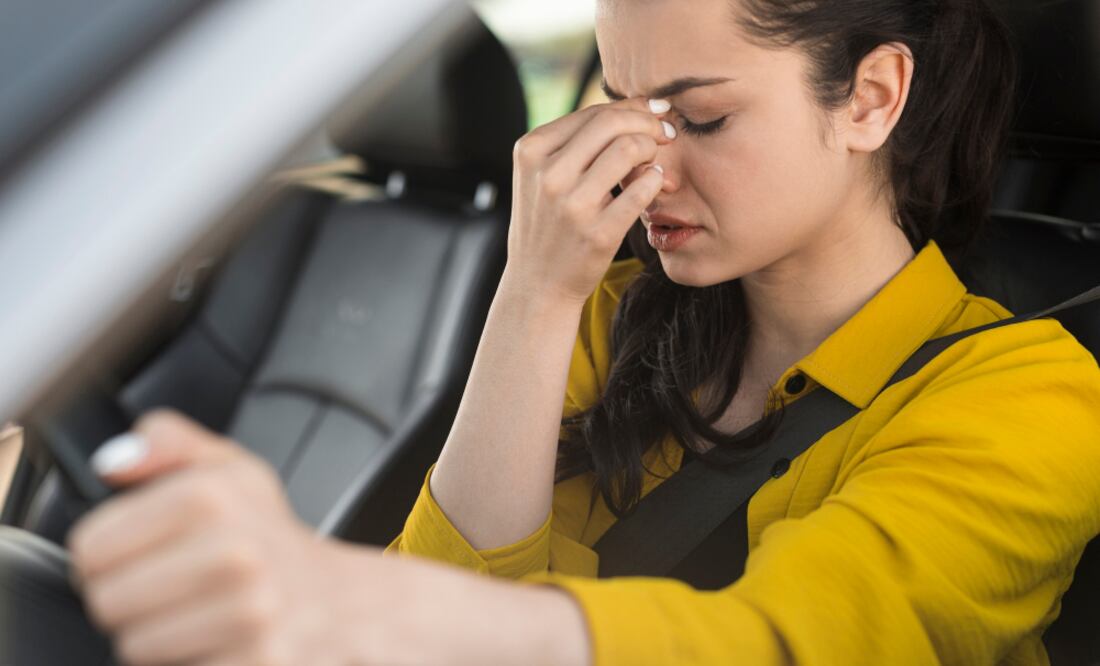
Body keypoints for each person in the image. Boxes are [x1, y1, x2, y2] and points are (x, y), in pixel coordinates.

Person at [64, 0, 1100, 664]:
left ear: (870, 100)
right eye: (625, 114)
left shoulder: (1033, 398)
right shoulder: (614, 314)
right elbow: (461, 603)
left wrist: (344, 598)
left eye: (699, 120)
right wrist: (535, 289)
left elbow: (782, 645)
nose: (645, 166)